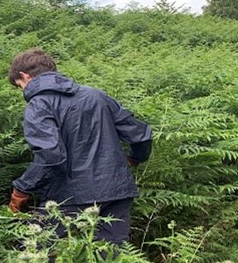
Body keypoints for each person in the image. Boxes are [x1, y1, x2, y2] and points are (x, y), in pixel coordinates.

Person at [8, 48, 152, 246]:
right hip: (118, 190)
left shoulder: (39, 104)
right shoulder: (96, 95)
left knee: (34, 248)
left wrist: (21, 189)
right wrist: (136, 157)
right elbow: (141, 134)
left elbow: (51, 155)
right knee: (112, 257)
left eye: (19, 85)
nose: (22, 91)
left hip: (71, 193)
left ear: (25, 76)